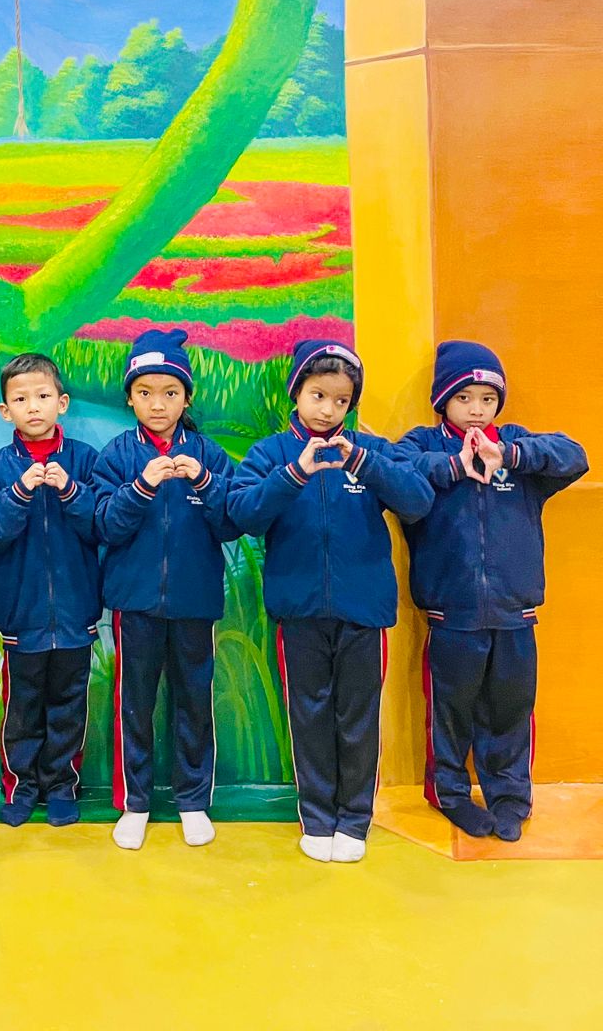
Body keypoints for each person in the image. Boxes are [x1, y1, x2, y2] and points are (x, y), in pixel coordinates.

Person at [228, 339, 433, 863]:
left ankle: (354, 821)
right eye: (318, 395)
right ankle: (317, 819)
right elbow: (242, 513)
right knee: (310, 716)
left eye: (341, 401)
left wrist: (362, 461)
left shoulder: (370, 450)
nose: (328, 410)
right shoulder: (271, 453)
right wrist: (295, 473)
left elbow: (418, 501)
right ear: (296, 392)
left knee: (358, 718)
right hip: (298, 612)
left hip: (363, 611)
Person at [399, 341, 589, 841]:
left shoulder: (515, 445)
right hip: (451, 614)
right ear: (443, 401)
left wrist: (508, 454)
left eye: (487, 399)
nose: (477, 410)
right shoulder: (423, 444)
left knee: (510, 711)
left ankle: (509, 798)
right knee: (450, 712)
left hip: (514, 613)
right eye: (464, 398)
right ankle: (451, 795)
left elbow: (575, 456)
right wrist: (455, 465)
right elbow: (396, 473)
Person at [93, 327, 236, 852]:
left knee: (194, 701)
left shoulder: (208, 454)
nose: (158, 404)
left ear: (187, 398)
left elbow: (234, 521)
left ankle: (193, 801)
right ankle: (135, 803)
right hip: (134, 603)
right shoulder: (116, 455)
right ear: (130, 397)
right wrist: (142, 486)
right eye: (146, 392)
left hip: (196, 600)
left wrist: (204, 482)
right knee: (135, 703)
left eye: (170, 392)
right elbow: (105, 525)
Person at [0, 353, 100, 828]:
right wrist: (20, 492)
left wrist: (71, 491)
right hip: (20, 616)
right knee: (21, 708)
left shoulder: (84, 459)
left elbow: (102, 525)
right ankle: (21, 787)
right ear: (6, 411)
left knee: (69, 704)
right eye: (21, 399)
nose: (33, 407)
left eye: (43, 396)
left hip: (76, 612)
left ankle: (62, 786)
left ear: (61, 403)